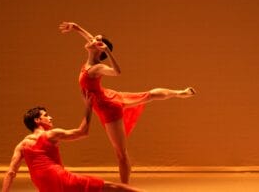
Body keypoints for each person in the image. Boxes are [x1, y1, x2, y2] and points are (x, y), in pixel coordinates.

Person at [59, 21, 196, 184]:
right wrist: (76, 27)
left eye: (95, 39)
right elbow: (90, 38)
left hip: (107, 107)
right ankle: (179, 93)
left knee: (121, 154)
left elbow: (117, 72)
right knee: (147, 96)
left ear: (98, 48)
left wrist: (108, 52)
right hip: (107, 96)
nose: (91, 39)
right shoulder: (91, 58)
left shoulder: (97, 67)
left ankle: (125, 188)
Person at [2, 93, 144, 192]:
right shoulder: (51, 134)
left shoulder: (21, 145)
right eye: (46, 115)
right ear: (37, 120)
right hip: (61, 179)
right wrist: (88, 107)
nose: (50, 117)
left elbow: (10, 173)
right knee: (114, 188)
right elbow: (82, 132)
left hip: (45, 187)